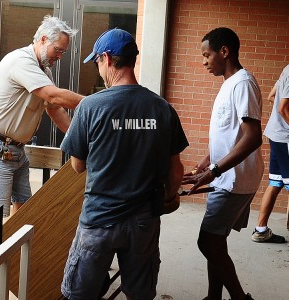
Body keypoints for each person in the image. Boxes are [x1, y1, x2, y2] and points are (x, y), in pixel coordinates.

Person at [60, 28, 189, 300]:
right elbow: (175, 171)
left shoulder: (90, 107)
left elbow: (77, 165)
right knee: (140, 294)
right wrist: (168, 196)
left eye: (97, 62)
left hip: (98, 220)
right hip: (143, 220)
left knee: (79, 294)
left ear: (106, 58)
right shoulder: (162, 108)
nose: (99, 69)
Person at [182, 27, 264, 300]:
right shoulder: (229, 84)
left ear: (224, 51)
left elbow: (252, 138)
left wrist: (215, 170)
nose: (203, 61)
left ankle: (240, 298)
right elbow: (229, 133)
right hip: (224, 176)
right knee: (216, 240)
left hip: (233, 180)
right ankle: (213, 296)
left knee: (207, 241)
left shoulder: (242, 83)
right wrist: (207, 162)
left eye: (207, 55)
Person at [0, 15, 84, 218]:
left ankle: (16, 251)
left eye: (63, 52)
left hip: (17, 151)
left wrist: (78, 137)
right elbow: (53, 96)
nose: (59, 56)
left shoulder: (44, 72)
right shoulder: (21, 61)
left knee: (24, 214)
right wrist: (96, 104)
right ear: (42, 39)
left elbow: (54, 109)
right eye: (57, 50)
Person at [251, 64, 289, 243]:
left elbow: (272, 95)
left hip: (276, 135)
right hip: (285, 138)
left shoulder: (286, 70)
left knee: (275, 182)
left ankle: (260, 230)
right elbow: (283, 108)